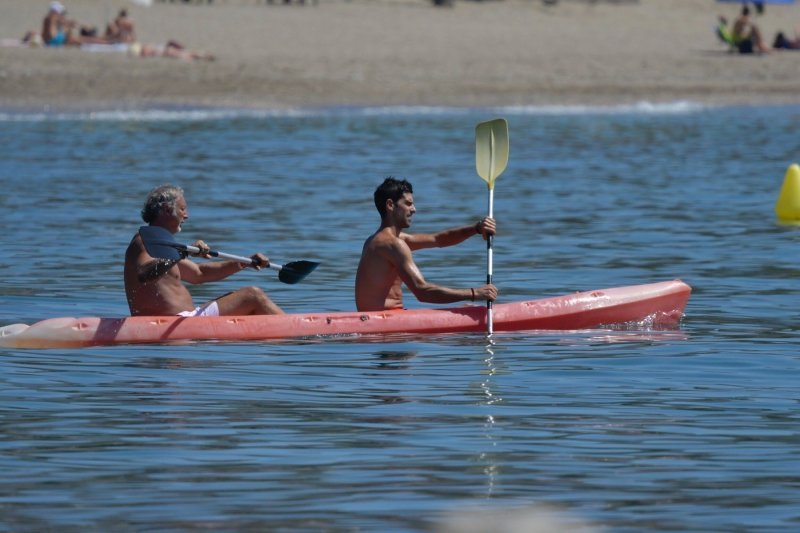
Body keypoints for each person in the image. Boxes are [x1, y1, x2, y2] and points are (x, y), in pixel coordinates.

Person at [124, 185, 283, 317]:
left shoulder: (160, 244)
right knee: (253, 295)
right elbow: (144, 273)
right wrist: (182, 253)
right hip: (174, 323)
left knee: (235, 297)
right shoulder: (143, 241)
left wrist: (244, 263)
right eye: (183, 209)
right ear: (166, 210)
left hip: (183, 321)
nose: (187, 215)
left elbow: (199, 274)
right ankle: (297, 333)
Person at [355, 177, 498, 312]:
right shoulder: (393, 244)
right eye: (408, 204)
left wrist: (476, 228)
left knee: (465, 310)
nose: (414, 209)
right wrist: (474, 293)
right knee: (467, 315)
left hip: (379, 319)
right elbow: (422, 292)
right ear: (390, 205)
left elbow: (438, 239)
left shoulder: (376, 240)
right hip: (385, 323)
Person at [41, 1, 107, 47]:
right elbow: (67, 22)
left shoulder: (48, 18)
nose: (61, 15)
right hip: (55, 41)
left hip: (50, 41)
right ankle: (105, 43)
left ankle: (104, 41)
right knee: (83, 40)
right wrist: (83, 26)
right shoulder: (52, 16)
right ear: (56, 10)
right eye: (61, 12)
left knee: (81, 39)